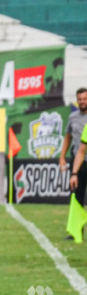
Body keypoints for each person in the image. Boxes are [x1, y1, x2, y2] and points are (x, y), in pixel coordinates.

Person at [62, 88, 87, 237]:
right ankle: (76, 230)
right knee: (77, 197)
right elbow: (68, 138)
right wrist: (62, 157)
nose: (82, 101)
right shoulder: (73, 117)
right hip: (79, 162)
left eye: (85, 98)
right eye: (80, 99)